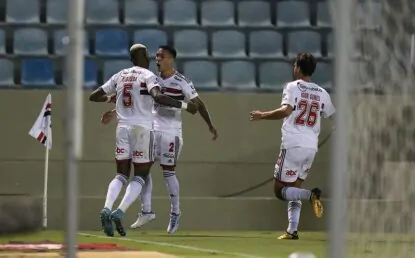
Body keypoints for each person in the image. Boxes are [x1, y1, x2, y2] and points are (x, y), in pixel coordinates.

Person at [101, 45, 218, 234]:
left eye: (161, 56)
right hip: (151, 129)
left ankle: (175, 213)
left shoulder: (181, 81)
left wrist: (210, 125)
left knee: (168, 173)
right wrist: (115, 112)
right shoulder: (151, 78)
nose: (157, 59)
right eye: (155, 56)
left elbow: (198, 103)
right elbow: (137, 101)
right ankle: (146, 210)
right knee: (143, 169)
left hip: (171, 132)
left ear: (171, 59)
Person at [250, 53, 335, 240]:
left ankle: (310, 195)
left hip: (293, 144)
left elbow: (286, 110)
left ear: (297, 67)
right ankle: (292, 230)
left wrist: (262, 115)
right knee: (294, 187)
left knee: (280, 191)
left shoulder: (292, 87)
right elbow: (334, 116)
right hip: (311, 147)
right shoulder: (322, 93)